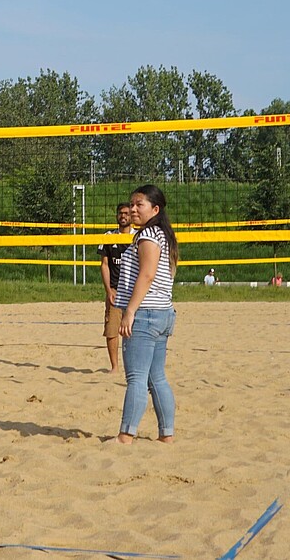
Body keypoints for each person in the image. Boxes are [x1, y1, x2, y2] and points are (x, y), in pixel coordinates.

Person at [111, 184, 178, 445]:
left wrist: (129, 312)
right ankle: (166, 435)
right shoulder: (162, 234)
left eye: (139, 204)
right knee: (156, 377)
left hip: (146, 314)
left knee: (137, 379)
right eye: (132, 204)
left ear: (155, 208)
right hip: (162, 313)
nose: (133, 209)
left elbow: (147, 274)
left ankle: (126, 436)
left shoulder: (149, 235)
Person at [97, 203, 134, 373]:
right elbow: (104, 265)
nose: (123, 216)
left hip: (134, 291)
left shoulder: (139, 236)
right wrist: (109, 290)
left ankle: (133, 366)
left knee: (135, 331)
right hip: (115, 291)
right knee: (111, 329)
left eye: (126, 213)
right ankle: (115, 367)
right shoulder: (109, 236)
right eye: (120, 213)